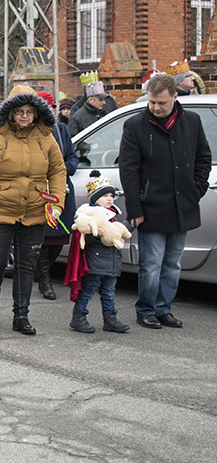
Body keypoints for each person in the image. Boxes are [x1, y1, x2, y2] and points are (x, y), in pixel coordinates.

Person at [0, 86, 66, 335]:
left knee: (26, 266)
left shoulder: (46, 135)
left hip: (34, 211)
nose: (24, 116)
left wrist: (56, 203)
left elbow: (57, 171)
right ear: (9, 111)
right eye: (19, 111)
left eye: (30, 111)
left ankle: (21, 315)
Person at [118, 73, 211, 329]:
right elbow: (128, 170)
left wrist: (197, 189)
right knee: (151, 265)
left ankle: (163, 309)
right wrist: (135, 208)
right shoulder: (135, 125)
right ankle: (146, 309)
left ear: (175, 97)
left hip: (183, 205)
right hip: (151, 207)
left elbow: (203, 158)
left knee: (172, 263)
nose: (156, 107)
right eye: (152, 103)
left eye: (162, 103)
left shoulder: (191, 122)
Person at [67, 171, 132, 334]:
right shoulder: (89, 216)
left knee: (109, 292)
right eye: (105, 195)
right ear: (95, 198)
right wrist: (96, 236)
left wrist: (132, 223)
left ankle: (110, 320)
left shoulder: (111, 216)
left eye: (111, 195)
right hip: (95, 263)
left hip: (111, 263)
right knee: (89, 290)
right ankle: (78, 317)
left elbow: (118, 231)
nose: (110, 199)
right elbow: (83, 238)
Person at [35, 91, 78, 300]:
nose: (48, 111)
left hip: (62, 188)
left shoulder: (61, 129)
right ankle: (44, 280)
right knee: (42, 236)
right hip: (40, 189)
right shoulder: (32, 131)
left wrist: (63, 169)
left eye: (51, 107)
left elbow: (72, 157)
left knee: (61, 234)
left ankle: (44, 271)